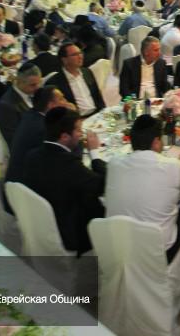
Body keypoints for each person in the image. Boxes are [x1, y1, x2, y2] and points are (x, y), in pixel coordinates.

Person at [105, 115, 180, 262]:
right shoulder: (172, 166)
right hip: (157, 253)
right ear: (156, 142)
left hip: (118, 248)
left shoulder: (114, 164)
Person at [23, 108, 106, 255]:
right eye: (78, 130)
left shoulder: (31, 156)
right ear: (64, 137)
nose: (81, 134)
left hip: (41, 222)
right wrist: (94, 152)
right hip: (70, 231)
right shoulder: (69, 165)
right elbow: (102, 185)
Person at [3, 86, 74, 209]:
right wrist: (72, 119)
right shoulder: (42, 129)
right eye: (62, 99)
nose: (66, 101)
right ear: (51, 105)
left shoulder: (31, 115)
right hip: (26, 197)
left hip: (17, 183)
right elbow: (66, 157)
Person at [48, 42, 105, 116]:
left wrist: (103, 112)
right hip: (78, 118)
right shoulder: (56, 82)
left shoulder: (87, 72)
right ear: (64, 60)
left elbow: (98, 96)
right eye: (75, 54)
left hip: (97, 115)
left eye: (80, 53)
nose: (80, 56)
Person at [0, 63, 42, 147]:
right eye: (33, 85)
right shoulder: (6, 106)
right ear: (19, 82)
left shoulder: (34, 93)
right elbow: (15, 141)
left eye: (39, 83)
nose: (38, 87)